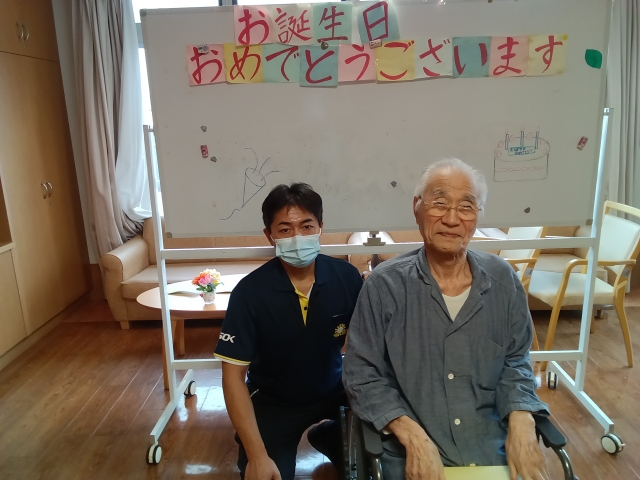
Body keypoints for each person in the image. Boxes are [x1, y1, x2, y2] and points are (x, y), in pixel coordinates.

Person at [343, 158, 550, 480]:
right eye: (439, 203)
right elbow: (361, 373)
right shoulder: (385, 285)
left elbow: (516, 361)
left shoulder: (503, 280)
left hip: (491, 445)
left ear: (478, 215)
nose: (452, 219)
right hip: (413, 452)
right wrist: (412, 436)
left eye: (466, 207)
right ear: (417, 208)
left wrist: (522, 420)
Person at [214, 182, 363, 480]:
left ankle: (329, 435)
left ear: (320, 228)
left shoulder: (346, 277)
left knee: (374, 462)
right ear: (269, 236)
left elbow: (370, 349)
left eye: (307, 226)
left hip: (336, 389)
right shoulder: (250, 292)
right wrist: (257, 455)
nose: (297, 237)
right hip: (275, 402)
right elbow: (233, 378)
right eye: (285, 229)